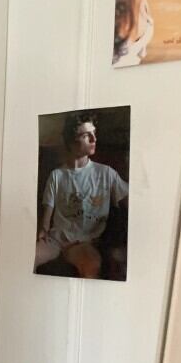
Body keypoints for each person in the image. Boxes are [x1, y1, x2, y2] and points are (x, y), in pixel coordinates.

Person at [34, 112, 129, 279]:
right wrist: (42, 233)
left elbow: (132, 202)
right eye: (86, 135)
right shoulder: (57, 175)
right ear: (72, 142)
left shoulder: (106, 173)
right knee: (27, 258)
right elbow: (47, 216)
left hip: (82, 243)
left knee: (91, 264)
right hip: (56, 240)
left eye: (94, 133)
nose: (94, 139)